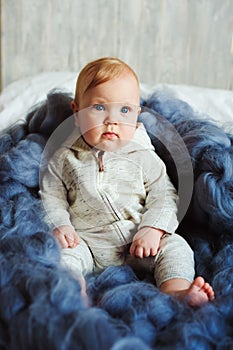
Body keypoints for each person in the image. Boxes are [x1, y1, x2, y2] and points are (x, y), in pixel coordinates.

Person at [40, 57, 214, 307]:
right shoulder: (65, 158)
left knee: (176, 246)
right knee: (64, 257)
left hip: (138, 243)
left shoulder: (144, 155)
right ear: (76, 113)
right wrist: (60, 225)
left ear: (136, 114)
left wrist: (153, 229)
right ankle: (74, 293)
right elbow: (51, 196)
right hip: (87, 243)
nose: (112, 119)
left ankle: (176, 291)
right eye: (99, 108)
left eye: (124, 110)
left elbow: (164, 195)